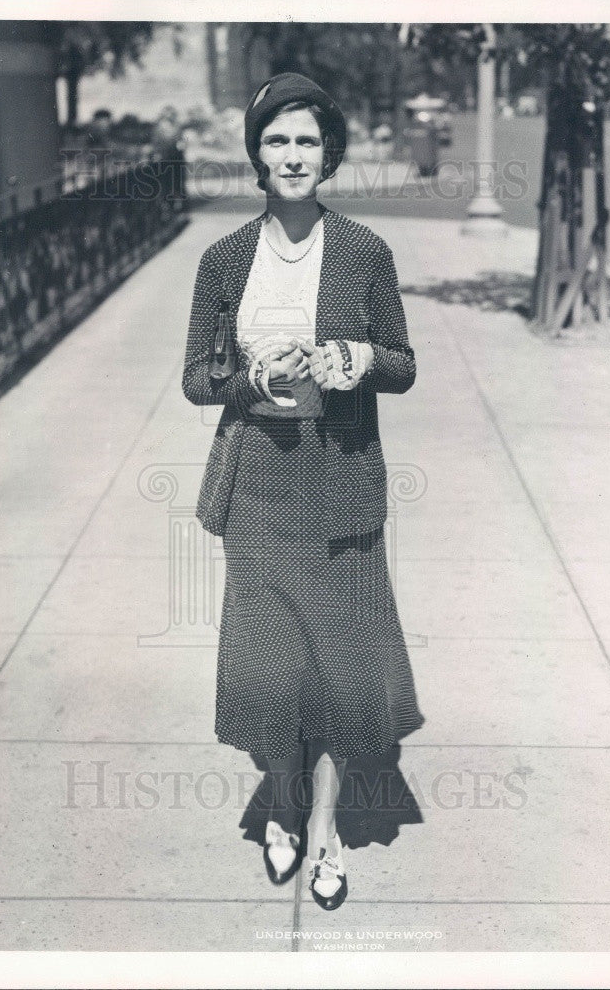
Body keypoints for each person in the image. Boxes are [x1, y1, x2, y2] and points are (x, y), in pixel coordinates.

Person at [182, 72, 425, 911]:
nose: (292, 156)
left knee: (335, 672)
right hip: (257, 488)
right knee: (270, 667)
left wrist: (358, 361)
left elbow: (401, 363)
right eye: (278, 140)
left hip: (340, 485)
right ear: (256, 152)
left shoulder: (363, 251)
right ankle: (279, 803)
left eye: (307, 141)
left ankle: (322, 832)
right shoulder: (222, 259)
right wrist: (248, 376)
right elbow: (194, 379)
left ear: (330, 154)